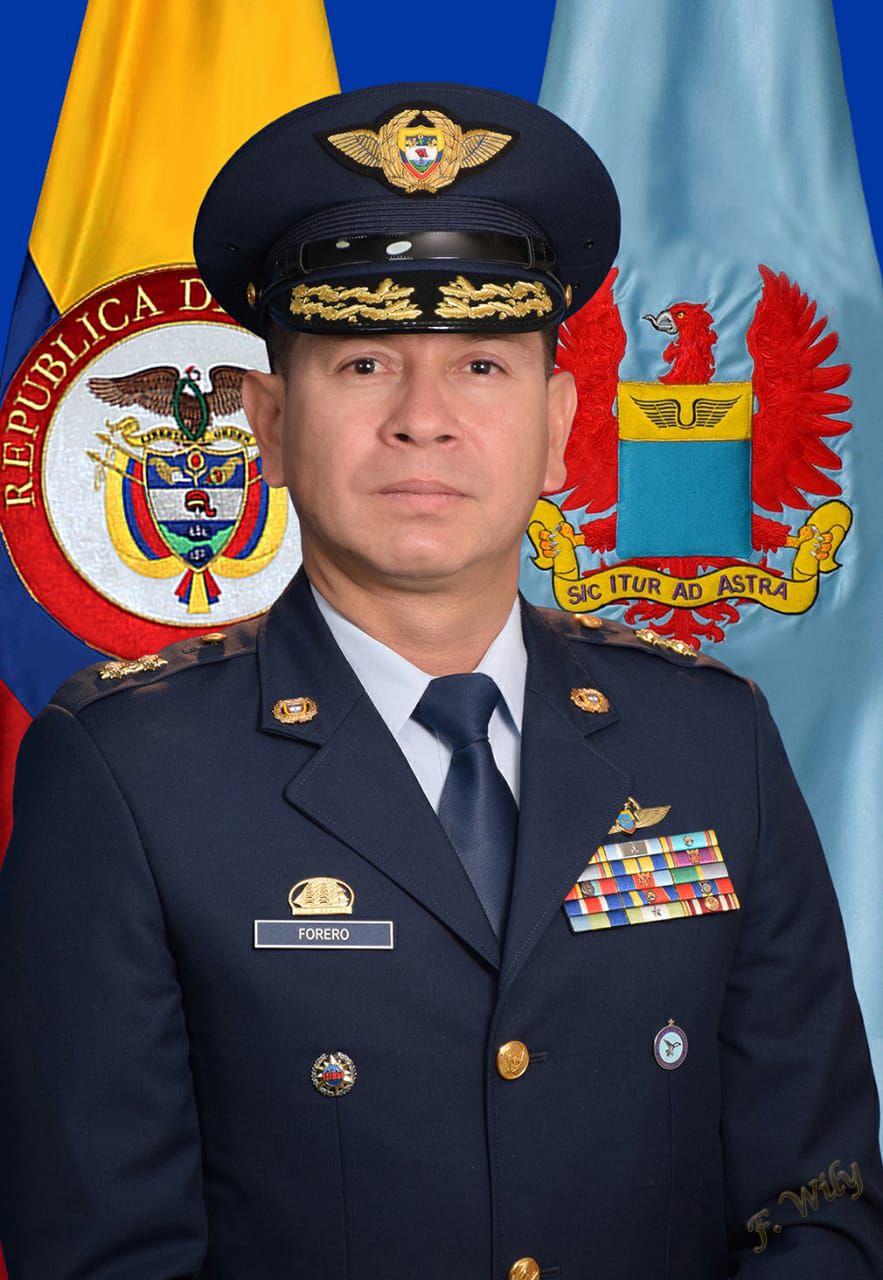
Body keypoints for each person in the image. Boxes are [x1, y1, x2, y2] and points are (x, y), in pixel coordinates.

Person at [0, 81, 881, 1280]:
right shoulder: (127, 773)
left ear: (559, 423)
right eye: (364, 361)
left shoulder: (711, 738)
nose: (424, 419)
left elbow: (817, 1194)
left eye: (480, 364)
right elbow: (108, 1253)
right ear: (268, 419)